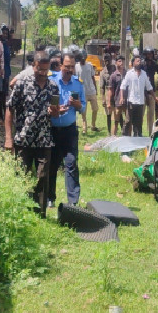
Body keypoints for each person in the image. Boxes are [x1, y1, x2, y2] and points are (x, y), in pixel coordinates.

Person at [5, 50, 55, 215]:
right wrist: (8, 138)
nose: (42, 73)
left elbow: (55, 112)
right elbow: (10, 109)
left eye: (45, 70)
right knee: (22, 177)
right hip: (23, 139)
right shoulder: (21, 83)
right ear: (33, 66)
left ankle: (40, 214)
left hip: (44, 139)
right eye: (39, 69)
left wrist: (56, 111)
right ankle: (22, 211)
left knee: (42, 176)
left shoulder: (52, 86)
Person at [49, 52, 85, 208]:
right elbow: (45, 103)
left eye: (72, 67)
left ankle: (73, 201)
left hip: (69, 131)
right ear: (60, 65)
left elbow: (82, 107)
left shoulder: (78, 83)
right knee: (52, 164)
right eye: (67, 66)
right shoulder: (51, 81)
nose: (69, 69)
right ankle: (50, 197)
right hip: (52, 130)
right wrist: (55, 110)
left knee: (71, 164)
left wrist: (77, 105)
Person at [120, 57, 157, 137]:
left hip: (140, 102)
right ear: (133, 63)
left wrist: (155, 97)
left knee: (139, 122)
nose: (139, 62)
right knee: (128, 121)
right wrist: (121, 97)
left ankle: (138, 138)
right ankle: (125, 137)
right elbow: (123, 86)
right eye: (137, 61)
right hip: (131, 101)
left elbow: (149, 87)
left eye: (140, 61)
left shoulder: (144, 74)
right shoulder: (129, 73)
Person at [78, 51, 99, 134]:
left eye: (84, 58)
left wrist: (96, 89)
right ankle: (84, 129)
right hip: (83, 93)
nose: (83, 60)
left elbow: (93, 78)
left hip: (91, 91)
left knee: (95, 109)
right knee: (84, 112)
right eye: (81, 58)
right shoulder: (76, 67)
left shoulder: (89, 65)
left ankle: (93, 125)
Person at [106, 56, 126, 136]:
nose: (121, 63)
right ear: (116, 63)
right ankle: (113, 137)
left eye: (123, 61)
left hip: (126, 101)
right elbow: (110, 90)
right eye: (120, 61)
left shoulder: (127, 74)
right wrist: (109, 102)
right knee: (116, 121)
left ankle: (127, 137)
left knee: (127, 121)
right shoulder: (113, 76)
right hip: (117, 102)